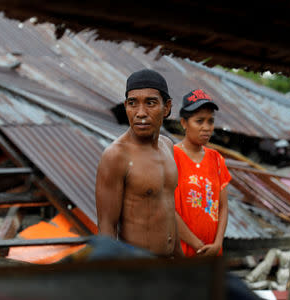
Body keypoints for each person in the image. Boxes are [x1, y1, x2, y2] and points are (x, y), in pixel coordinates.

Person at [96, 69, 184, 258]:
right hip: (138, 271)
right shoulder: (116, 155)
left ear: (167, 107)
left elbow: (168, 212)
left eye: (150, 103)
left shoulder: (168, 146)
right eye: (132, 103)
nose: (140, 113)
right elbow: (106, 227)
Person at [173, 89, 231, 257]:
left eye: (210, 121)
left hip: (212, 254)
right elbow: (168, 209)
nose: (206, 127)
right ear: (184, 123)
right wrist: (198, 246)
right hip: (181, 253)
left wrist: (217, 244)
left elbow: (223, 207)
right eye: (199, 121)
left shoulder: (216, 159)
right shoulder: (171, 157)